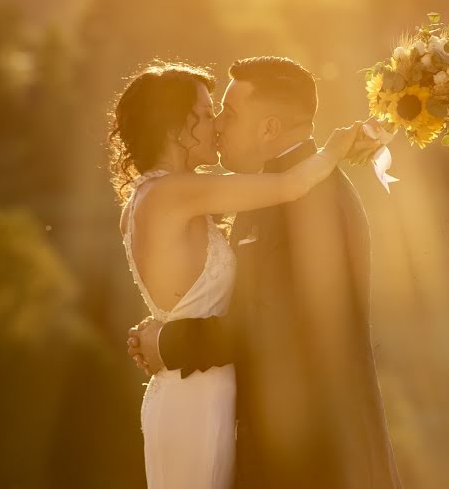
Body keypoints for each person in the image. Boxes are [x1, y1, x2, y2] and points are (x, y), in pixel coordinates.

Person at [127, 56, 403, 488]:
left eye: (229, 113)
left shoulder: (310, 200)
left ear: (270, 128)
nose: (217, 125)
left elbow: (279, 326)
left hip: (314, 458)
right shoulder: (275, 190)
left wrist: (171, 341)